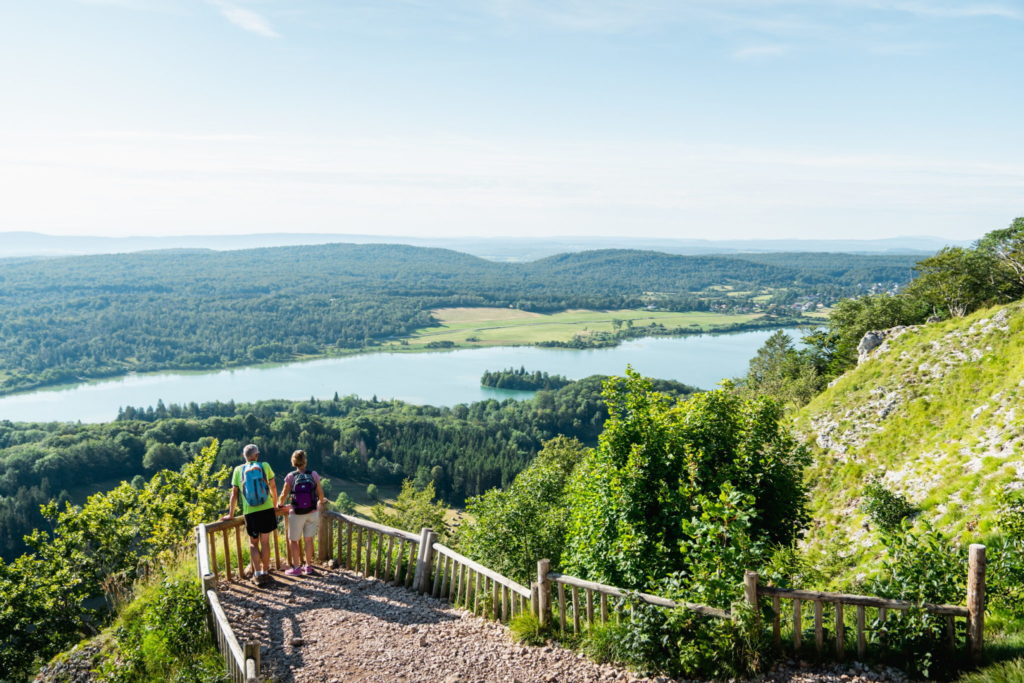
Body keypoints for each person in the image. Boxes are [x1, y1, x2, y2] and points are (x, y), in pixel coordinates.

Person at [223, 443, 279, 586]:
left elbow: (234, 494)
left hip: (250, 512)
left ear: (244, 456)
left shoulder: (238, 470)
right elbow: (273, 486)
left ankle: (257, 574)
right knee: (265, 541)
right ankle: (266, 572)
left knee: (253, 544)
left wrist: (230, 514)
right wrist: (275, 505)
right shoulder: (264, 466)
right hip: (266, 509)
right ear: (257, 455)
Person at [277, 449, 327, 576]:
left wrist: (280, 505)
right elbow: (320, 492)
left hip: (296, 513)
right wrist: (321, 501)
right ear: (305, 461)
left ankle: (297, 568)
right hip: (312, 511)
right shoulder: (313, 474)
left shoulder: (291, 476)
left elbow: (284, 494)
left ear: (293, 461)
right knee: (308, 539)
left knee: (293, 541)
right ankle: (308, 567)